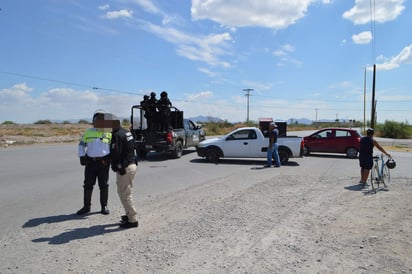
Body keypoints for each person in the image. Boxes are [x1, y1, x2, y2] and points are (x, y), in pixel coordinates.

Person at [77, 110, 112, 215]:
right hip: (90, 163)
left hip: (103, 163)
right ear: (93, 121)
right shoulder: (88, 132)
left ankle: (104, 206)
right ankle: (86, 207)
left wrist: (109, 159)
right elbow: (81, 145)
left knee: (104, 185)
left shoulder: (109, 133)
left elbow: (113, 148)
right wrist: (82, 156)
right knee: (88, 185)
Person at [108, 114, 139, 229]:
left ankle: (132, 220)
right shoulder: (127, 132)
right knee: (127, 192)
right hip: (131, 165)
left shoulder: (116, 135)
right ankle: (129, 214)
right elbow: (132, 147)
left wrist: (113, 163)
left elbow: (115, 153)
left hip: (125, 168)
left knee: (125, 194)